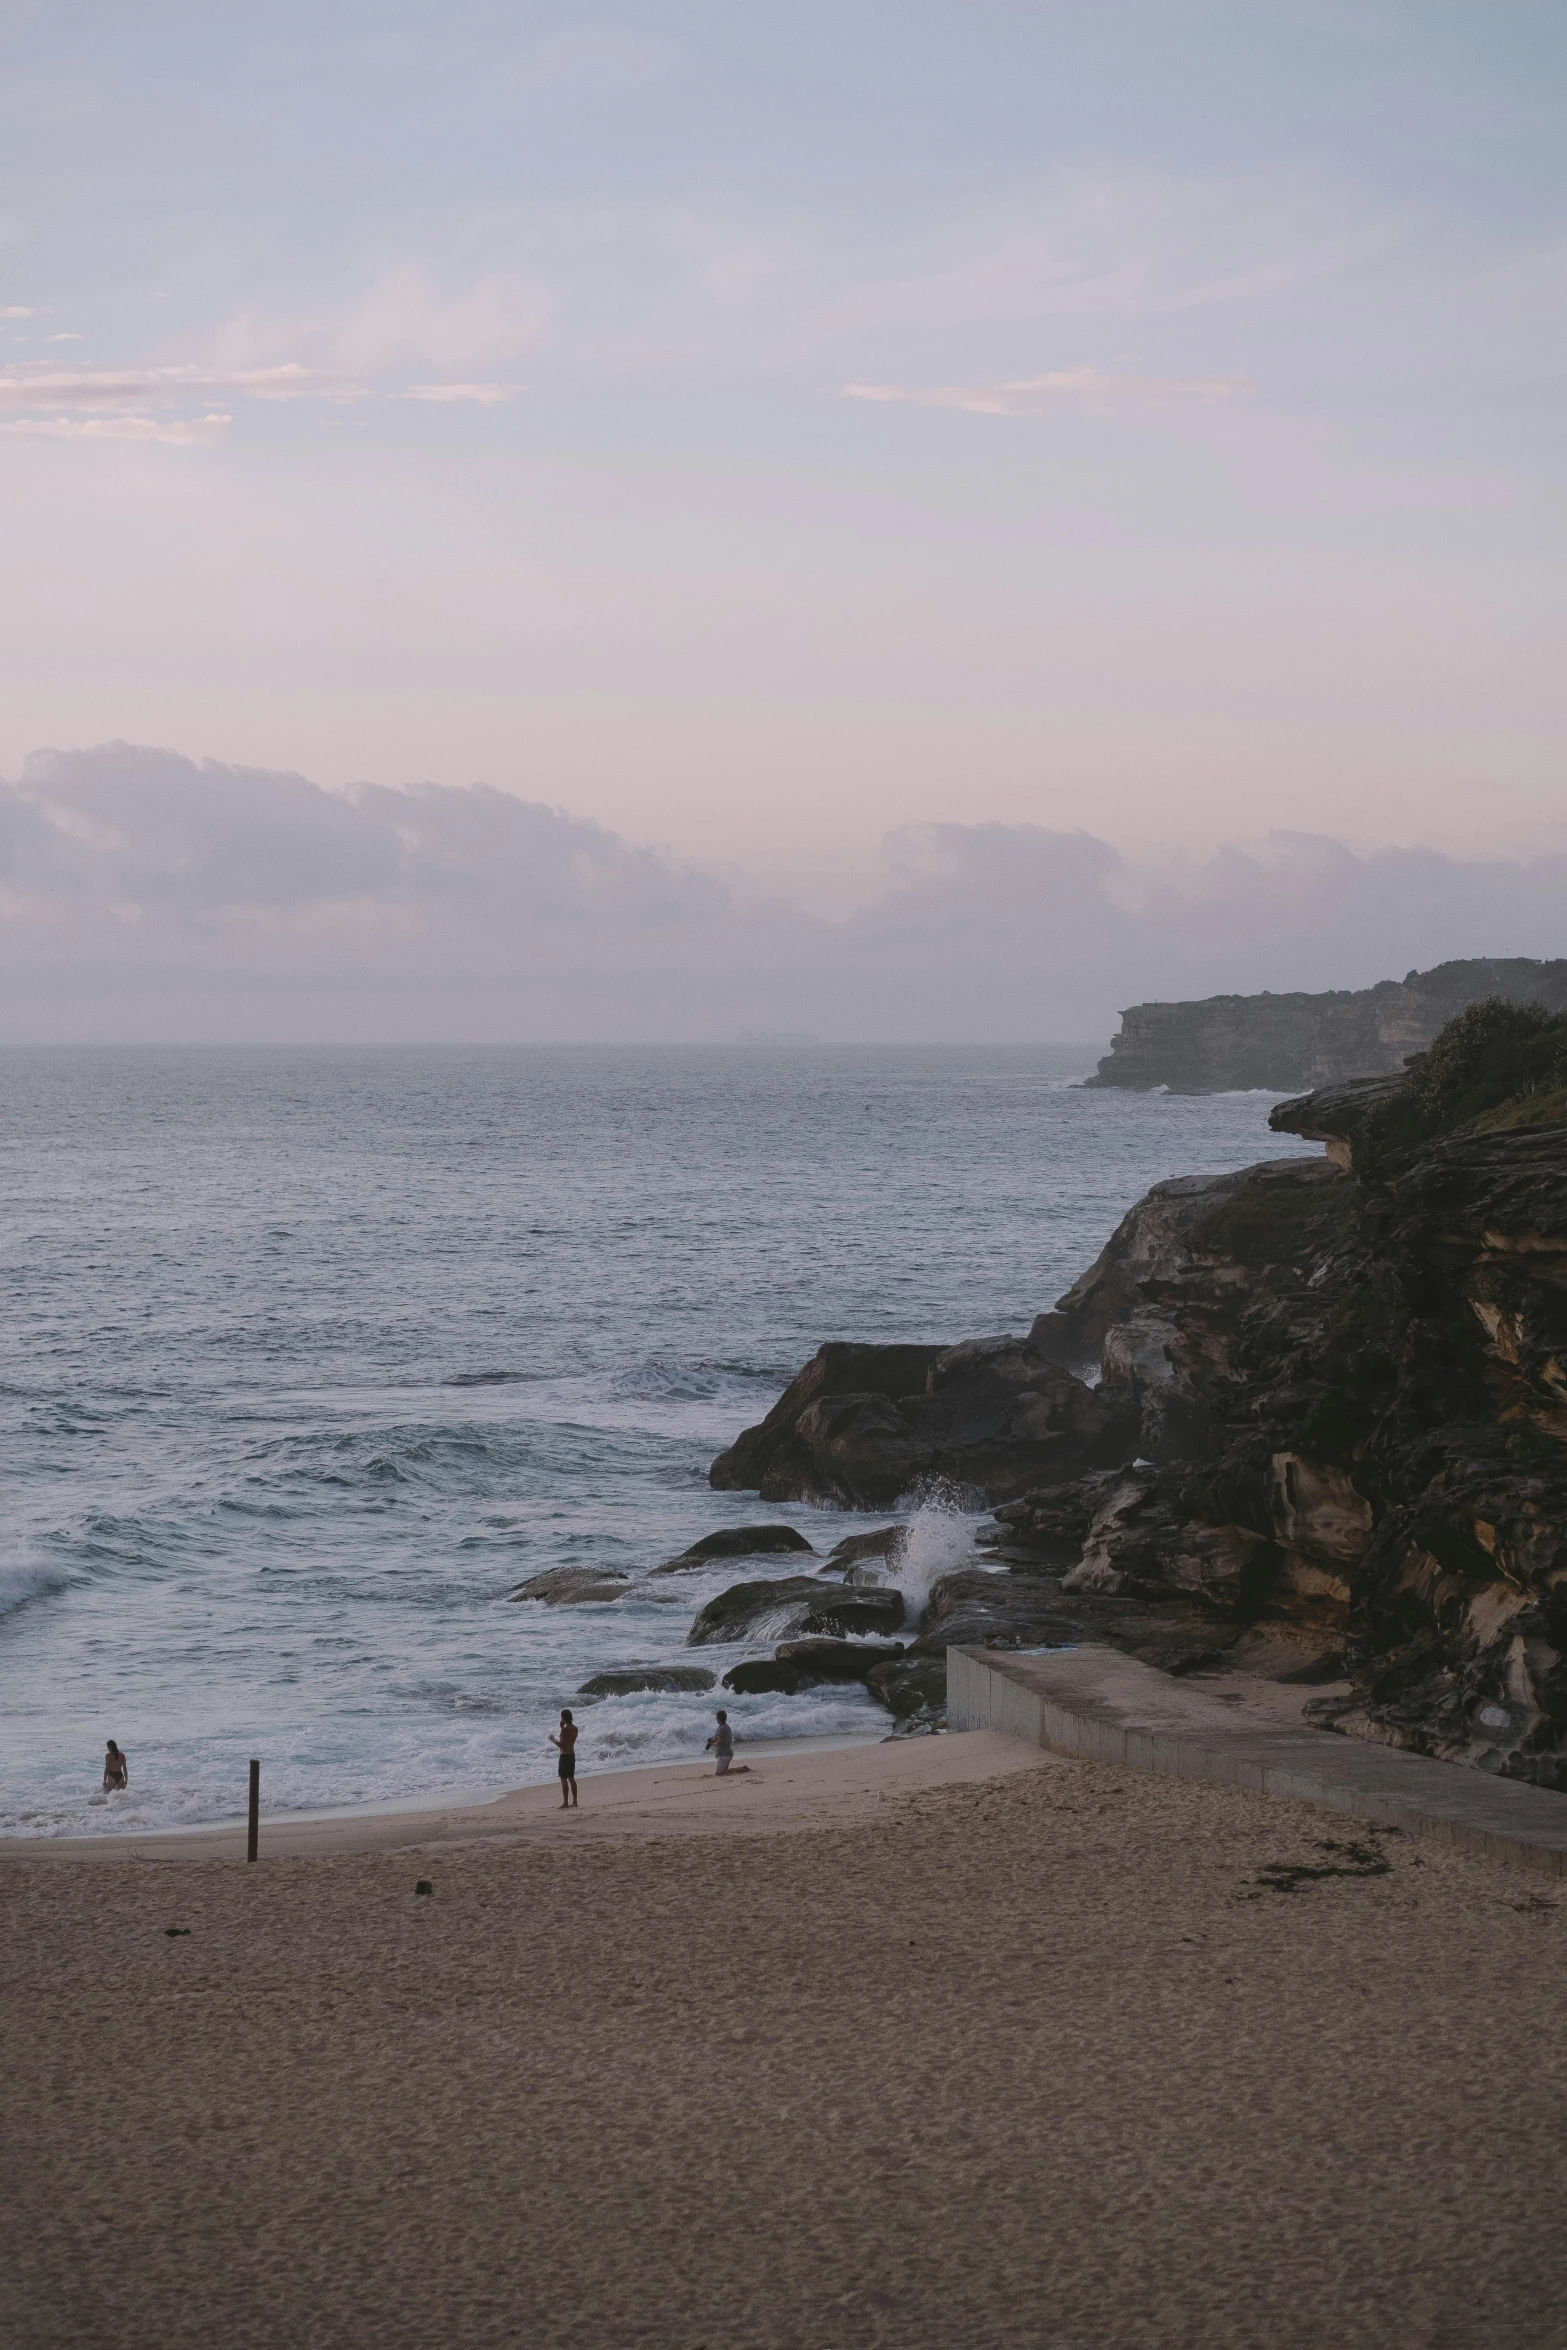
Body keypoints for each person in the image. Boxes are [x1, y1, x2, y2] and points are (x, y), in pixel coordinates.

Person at [705, 1708, 749, 1777]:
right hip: (727, 1753)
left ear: (718, 1718)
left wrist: (712, 1743)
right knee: (724, 1772)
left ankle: (741, 1769)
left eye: (716, 1717)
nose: (716, 1719)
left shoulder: (721, 1728)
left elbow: (720, 1743)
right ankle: (742, 1768)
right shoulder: (726, 1726)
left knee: (718, 1774)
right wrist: (713, 1740)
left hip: (723, 1755)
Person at [549, 1709, 579, 1808]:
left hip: (565, 1756)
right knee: (571, 1778)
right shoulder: (574, 1728)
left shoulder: (566, 1729)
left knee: (563, 1779)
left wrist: (553, 1739)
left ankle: (565, 1802)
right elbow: (567, 1740)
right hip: (571, 1754)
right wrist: (561, 1728)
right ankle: (575, 1801)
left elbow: (562, 1745)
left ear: (563, 1718)